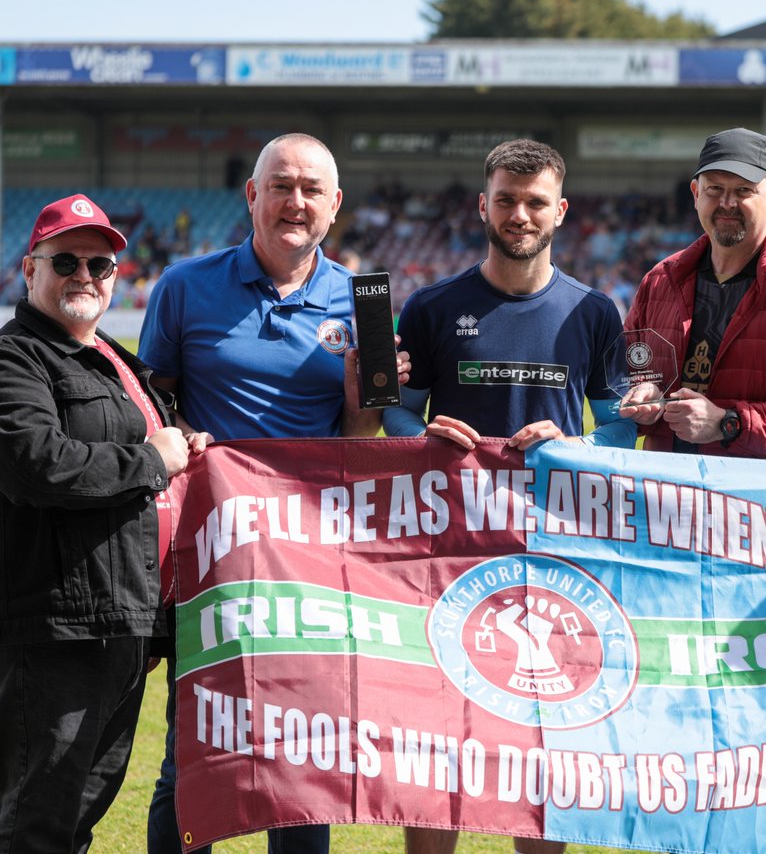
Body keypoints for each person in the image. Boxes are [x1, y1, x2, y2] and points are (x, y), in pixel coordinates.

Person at [138, 133, 408, 853]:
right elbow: (151, 408)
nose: (296, 202)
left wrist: (362, 400)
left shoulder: (366, 303)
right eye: (281, 186)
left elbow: (362, 449)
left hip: (307, 566)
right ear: (252, 195)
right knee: (192, 753)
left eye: (312, 189)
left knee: (303, 762)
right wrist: (183, 435)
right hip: (212, 558)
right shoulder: (184, 286)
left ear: (335, 204)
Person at [383, 138, 634, 854]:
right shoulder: (433, 306)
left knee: (542, 746)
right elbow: (395, 412)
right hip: (447, 556)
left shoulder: (594, 313)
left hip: (554, 558)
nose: (519, 214)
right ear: (483, 204)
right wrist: (424, 433)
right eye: (506, 200)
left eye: (534, 202)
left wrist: (573, 445)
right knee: (439, 746)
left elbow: (618, 431)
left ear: (560, 210)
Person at [0, 194, 192, 852]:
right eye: (67, 261)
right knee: (36, 819)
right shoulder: (15, 357)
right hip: (59, 630)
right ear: (30, 271)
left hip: (125, 624)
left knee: (81, 812)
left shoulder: (110, 353)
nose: (86, 275)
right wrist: (152, 458)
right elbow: (36, 465)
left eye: (102, 265)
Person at [619, 127, 766, 461]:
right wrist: (639, 397)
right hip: (665, 497)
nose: (727, 203)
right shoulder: (659, 281)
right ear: (695, 193)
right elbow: (623, 375)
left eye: (743, 191)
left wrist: (729, 424)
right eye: (715, 189)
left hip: (753, 505)